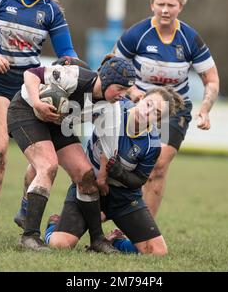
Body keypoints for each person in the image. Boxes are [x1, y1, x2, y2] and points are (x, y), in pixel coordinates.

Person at [0, 0, 79, 241]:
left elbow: (67, 51)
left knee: (45, 161)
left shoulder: (51, 12)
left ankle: (26, 209)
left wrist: (72, 65)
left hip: (29, 88)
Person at [113, 0, 220, 218]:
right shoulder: (136, 34)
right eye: (160, 4)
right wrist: (131, 90)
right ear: (152, 4)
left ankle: (142, 232)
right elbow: (112, 67)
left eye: (171, 5)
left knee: (158, 166)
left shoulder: (190, 38)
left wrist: (205, 108)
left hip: (173, 109)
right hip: (137, 106)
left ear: (180, 7)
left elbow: (211, 79)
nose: (164, 10)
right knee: (121, 163)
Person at [7, 56, 137, 252]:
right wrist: (37, 103)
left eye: (126, 91)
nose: (122, 95)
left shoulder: (112, 108)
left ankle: (97, 240)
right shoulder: (76, 76)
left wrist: (101, 176)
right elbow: (31, 74)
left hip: (59, 123)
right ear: (107, 80)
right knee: (47, 165)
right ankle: (30, 236)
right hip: (26, 111)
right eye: (120, 89)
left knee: (85, 174)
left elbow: (108, 150)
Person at [44, 87, 184, 256]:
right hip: (89, 186)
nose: (148, 112)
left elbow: (139, 180)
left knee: (158, 252)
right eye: (149, 104)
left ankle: (116, 241)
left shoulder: (152, 145)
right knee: (60, 244)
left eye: (157, 113)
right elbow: (89, 98)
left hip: (123, 199)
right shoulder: (114, 106)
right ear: (140, 98)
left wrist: (120, 173)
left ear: (159, 121)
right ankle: (54, 224)